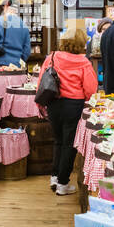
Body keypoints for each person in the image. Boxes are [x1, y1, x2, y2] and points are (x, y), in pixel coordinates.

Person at [38, 27, 97, 195]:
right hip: (74, 105)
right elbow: (90, 89)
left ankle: (55, 177)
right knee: (69, 144)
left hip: (54, 103)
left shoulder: (52, 57)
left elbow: (42, 81)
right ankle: (63, 184)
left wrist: (41, 104)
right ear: (81, 43)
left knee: (58, 140)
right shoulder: (83, 62)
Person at [0, 0, 31, 68]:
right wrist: (18, 63)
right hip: (16, 67)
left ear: (6, 7)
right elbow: (27, 51)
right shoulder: (24, 26)